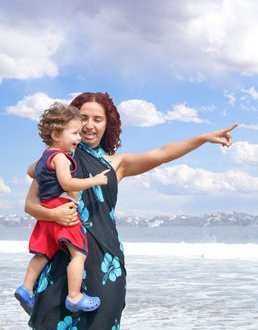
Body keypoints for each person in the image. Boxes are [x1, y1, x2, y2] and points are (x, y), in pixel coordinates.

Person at [24, 92, 237, 330]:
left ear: (108, 124)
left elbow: (162, 154)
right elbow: (30, 205)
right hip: (64, 258)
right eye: (83, 118)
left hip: (106, 264)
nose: (89, 125)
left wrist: (203, 138)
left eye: (98, 119)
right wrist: (53, 214)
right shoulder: (57, 159)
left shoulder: (116, 164)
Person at [15, 102, 110, 316]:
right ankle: (74, 296)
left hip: (45, 213)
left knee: (42, 254)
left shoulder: (45, 156)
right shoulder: (60, 157)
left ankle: (26, 288)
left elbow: (31, 171)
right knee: (79, 254)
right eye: (74, 133)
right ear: (57, 134)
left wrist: (45, 174)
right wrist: (93, 180)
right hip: (60, 208)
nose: (79, 137)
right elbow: (67, 184)